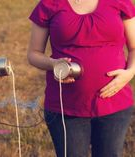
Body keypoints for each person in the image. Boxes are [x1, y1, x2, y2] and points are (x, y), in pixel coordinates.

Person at [28, 0, 135, 156]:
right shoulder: (49, 4)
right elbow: (33, 54)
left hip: (114, 104)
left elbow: (134, 48)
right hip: (66, 106)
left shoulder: (119, 1)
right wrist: (54, 64)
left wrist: (130, 72)